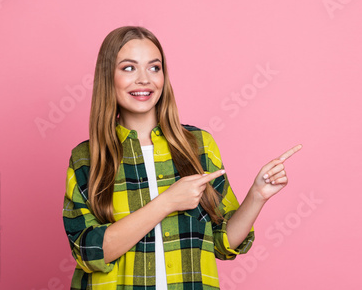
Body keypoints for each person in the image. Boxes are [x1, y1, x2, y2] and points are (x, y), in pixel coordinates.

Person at [62, 26, 302, 290]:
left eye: (154, 68)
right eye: (129, 68)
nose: (144, 79)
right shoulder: (87, 158)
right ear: (108, 76)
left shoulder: (198, 146)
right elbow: (88, 251)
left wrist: (257, 196)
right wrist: (167, 202)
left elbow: (223, 243)